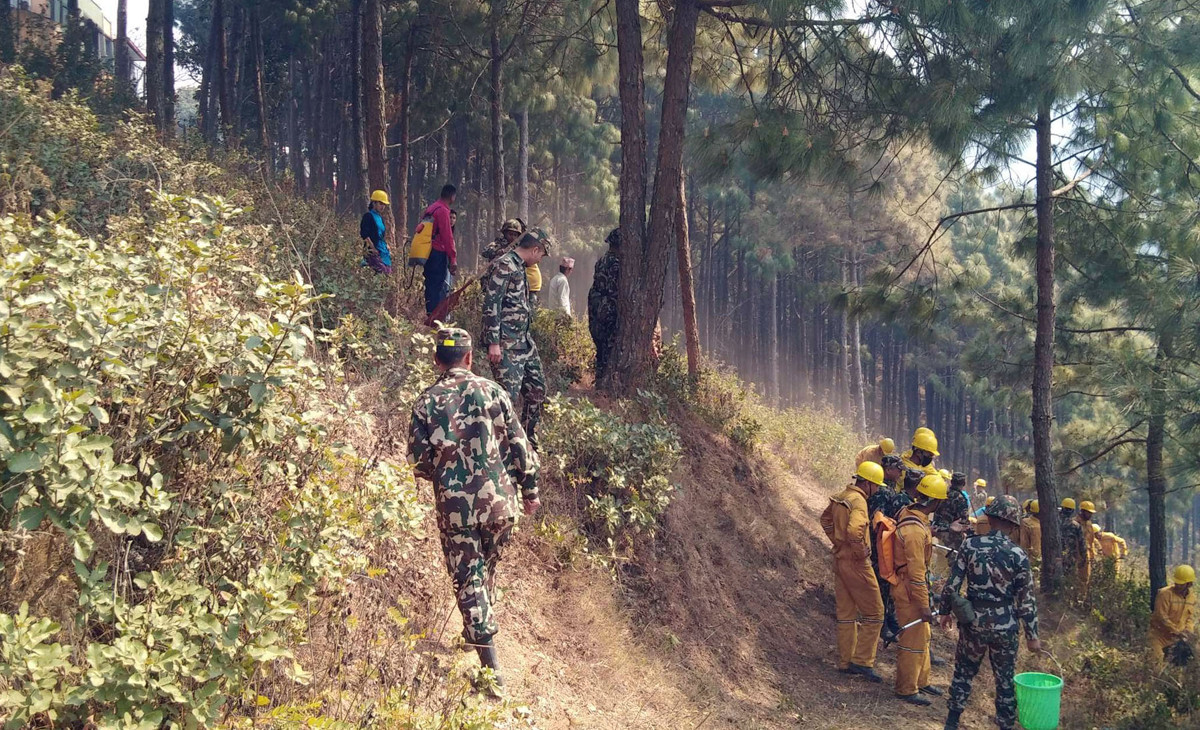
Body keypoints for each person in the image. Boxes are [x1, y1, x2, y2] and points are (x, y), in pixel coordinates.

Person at [407, 327, 540, 693]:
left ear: (437, 360)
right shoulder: (494, 392)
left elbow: (419, 464)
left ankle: (492, 675)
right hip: (500, 505)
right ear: (469, 358)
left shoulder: (426, 402)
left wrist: (447, 474)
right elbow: (520, 447)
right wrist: (530, 491)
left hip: (456, 511)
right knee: (483, 573)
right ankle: (474, 633)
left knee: (469, 580)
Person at [940, 496, 1041, 730]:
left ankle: (952, 721)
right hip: (1005, 626)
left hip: (973, 621)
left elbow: (952, 584)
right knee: (1005, 680)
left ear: (991, 518)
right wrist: (1032, 635)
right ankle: (1005, 724)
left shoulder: (970, 545)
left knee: (964, 672)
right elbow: (1026, 599)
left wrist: (945, 611)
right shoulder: (1018, 555)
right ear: (1014, 524)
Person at [482, 229, 551, 450]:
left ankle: (527, 441)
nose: (540, 259)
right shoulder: (505, 265)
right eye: (541, 255)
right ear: (535, 249)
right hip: (506, 344)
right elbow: (492, 303)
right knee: (506, 400)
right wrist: (493, 342)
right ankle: (499, 449)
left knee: (537, 390)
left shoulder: (519, 267)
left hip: (524, 343)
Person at [820, 461, 887, 682]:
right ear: (866, 483)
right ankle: (862, 661)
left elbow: (825, 520)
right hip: (856, 563)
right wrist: (859, 551)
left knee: (846, 614)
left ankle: (845, 661)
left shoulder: (841, 496)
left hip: (840, 560)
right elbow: (855, 531)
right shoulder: (859, 501)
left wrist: (836, 541)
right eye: (876, 486)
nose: (876, 490)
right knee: (875, 613)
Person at [892, 473, 947, 706]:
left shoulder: (911, 514)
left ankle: (921, 680)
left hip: (911, 585)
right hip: (909, 589)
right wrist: (924, 604)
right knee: (912, 639)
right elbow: (915, 572)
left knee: (923, 636)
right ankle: (906, 688)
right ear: (935, 502)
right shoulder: (914, 531)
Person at [868, 455, 913, 644]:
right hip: (880, 543)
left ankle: (889, 618)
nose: (900, 473)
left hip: (888, 541)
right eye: (897, 469)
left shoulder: (893, 489)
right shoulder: (881, 491)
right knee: (882, 583)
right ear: (888, 469)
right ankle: (880, 623)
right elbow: (877, 519)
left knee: (889, 584)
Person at [587, 228, 621, 383]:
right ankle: (604, 382)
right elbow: (615, 289)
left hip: (596, 304)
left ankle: (600, 378)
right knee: (608, 346)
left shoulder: (601, 260)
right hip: (607, 308)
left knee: (600, 346)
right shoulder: (616, 263)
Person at [1149, 565, 1196, 673]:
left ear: (1189, 584)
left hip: (1176, 639)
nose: (1177, 585)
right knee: (1157, 664)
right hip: (1158, 636)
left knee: (1182, 667)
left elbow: (1189, 617)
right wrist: (1177, 631)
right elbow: (1161, 616)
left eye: (1181, 583)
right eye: (1177, 582)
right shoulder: (1164, 594)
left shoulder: (1192, 598)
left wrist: (1188, 631)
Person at [421, 185, 458, 315]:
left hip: (427, 251)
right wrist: (452, 259)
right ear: (452, 197)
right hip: (437, 253)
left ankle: (429, 313)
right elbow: (447, 236)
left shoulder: (431, 208)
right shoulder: (443, 211)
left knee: (430, 284)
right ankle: (435, 318)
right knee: (438, 286)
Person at [932, 471, 971, 551]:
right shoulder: (961, 499)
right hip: (953, 536)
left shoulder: (943, 494)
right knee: (951, 559)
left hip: (939, 531)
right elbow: (964, 521)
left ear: (951, 482)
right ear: (963, 484)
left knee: (941, 556)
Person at [1059, 498, 1088, 593]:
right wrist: (1083, 558)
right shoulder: (1075, 525)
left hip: (1053, 557)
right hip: (1069, 558)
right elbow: (1082, 544)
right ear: (1072, 511)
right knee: (1069, 581)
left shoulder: (1052, 523)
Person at [360, 190, 392, 274]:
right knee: (382, 272)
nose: (383, 206)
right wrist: (373, 248)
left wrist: (386, 245)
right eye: (380, 204)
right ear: (374, 203)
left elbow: (381, 234)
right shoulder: (368, 216)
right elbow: (364, 234)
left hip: (382, 250)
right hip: (372, 251)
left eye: (384, 204)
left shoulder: (380, 218)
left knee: (388, 272)